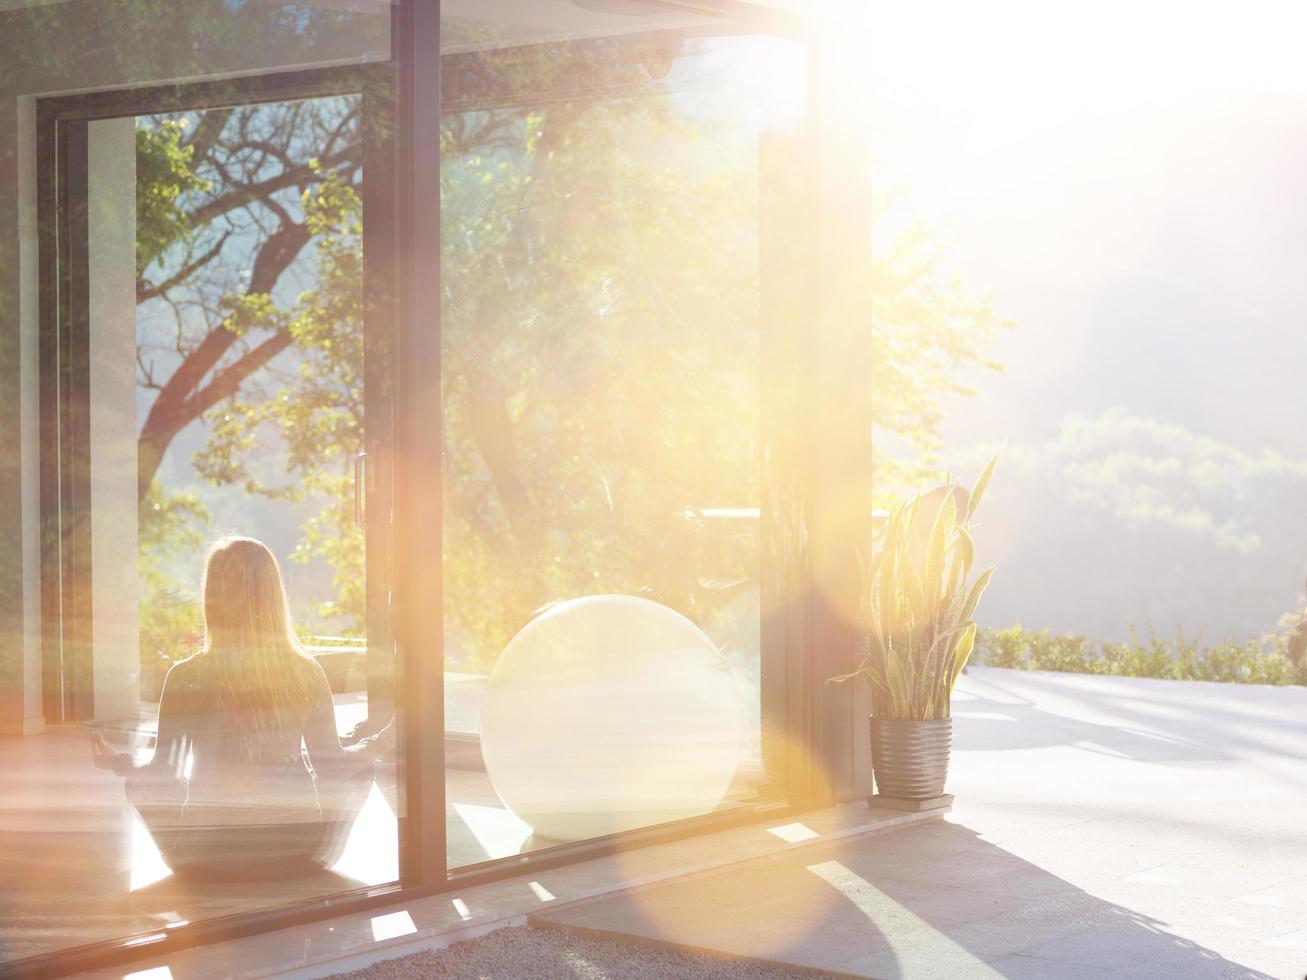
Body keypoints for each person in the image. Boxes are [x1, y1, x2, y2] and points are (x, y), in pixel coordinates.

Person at [91, 535, 389, 880]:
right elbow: (332, 765)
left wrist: (116, 761)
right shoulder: (305, 671)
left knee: (136, 785)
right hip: (297, 847)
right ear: (272, 595)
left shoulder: (185, 675)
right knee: (361, 769)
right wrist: (377, 744)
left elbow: (162, 773)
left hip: (208, 855)